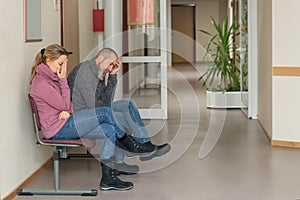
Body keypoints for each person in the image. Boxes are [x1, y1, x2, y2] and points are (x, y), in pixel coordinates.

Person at [29, 44, 157, 191]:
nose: (63, 67)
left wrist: (67, 110)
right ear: (47, 61)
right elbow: (66, 103)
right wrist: (63, 83)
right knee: (105, 112)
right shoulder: (42, 83)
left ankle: (108, 178)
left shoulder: (52, 77)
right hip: (57, 129)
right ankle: (130, 144)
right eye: (60, 63)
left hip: (67, 121)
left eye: (65, 63)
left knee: (108, 128)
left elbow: (69, 104)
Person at [67, 47, 171, 163]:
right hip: (85, 115)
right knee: (122, 118)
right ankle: (121, 162)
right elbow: (93, 106)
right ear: (100, 58)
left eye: (113, 65)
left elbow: (107, 100)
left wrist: (112, 75)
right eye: (110, 64)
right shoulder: (84, 72)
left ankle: (144, 144)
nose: (111, 68)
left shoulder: (100, 72)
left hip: (98, 109)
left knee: (128, 104)